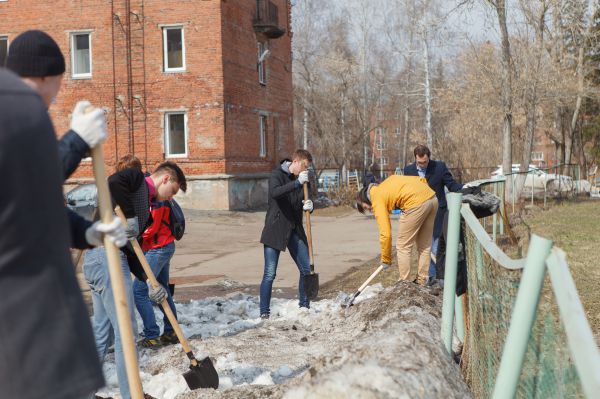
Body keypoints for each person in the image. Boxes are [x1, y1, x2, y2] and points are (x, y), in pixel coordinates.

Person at [0, 68, 128, 398]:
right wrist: (74, 144)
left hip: (42, 333)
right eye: (54, 84)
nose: (55, 95)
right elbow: (24, 185)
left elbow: (34, 209)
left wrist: (87, 232)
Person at [82, 161, 186, 399]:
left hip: (99, 260)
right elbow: (112, 182)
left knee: (102, 331)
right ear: (165, 179)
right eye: (172, 192)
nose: (169, 199)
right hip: (106, 259)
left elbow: (132, 252)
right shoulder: (136, 178)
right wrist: (129, 217)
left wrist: (149, 282)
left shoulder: (146, 209)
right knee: (126, 331)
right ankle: (132, 395)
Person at [259, 149, 314, 319]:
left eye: (308, 168)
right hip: (275, 229)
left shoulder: (304, 181)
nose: (305, 171)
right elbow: (275, 193)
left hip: (294, 229)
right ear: (295, 162)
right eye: (304, 167)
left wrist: (310, 206)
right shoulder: (276, 175)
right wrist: (297, 183)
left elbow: (302, 201)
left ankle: (304, 307)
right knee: (270, 273)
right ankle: (264, 312)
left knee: (306, 269)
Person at [356, 175, 438, 284]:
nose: (370, 210)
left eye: (367, 207)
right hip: (431, 198)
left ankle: (404, 283)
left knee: (403, 246)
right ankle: (422, 280)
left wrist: (386, 258)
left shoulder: (376, 198)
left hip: (415, 203)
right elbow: (419, 179)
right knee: (424, 245)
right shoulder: (386, 184)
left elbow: (385, 233)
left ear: (365, 198)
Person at [404, 145, 463, 284]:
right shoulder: (409, 170)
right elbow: (406, 193)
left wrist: (467, 188)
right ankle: (430, 280)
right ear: (415, 159)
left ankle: (442, 281)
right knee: (425, 249)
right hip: (419, 215)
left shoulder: (439, 167)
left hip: (438, 215)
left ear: (429, 157)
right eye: (419, 162)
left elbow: (452, 186)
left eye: (425, 162)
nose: (422, 165)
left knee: (437, 248)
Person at [133, 196, 181, 348]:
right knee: (162, 288)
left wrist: (132, 233)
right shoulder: (150, 193)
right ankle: (171, 332)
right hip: (161, 246)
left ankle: (152, 335)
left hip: (158, 249)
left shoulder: (155, 197)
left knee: (139, 291)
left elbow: (151, 227)